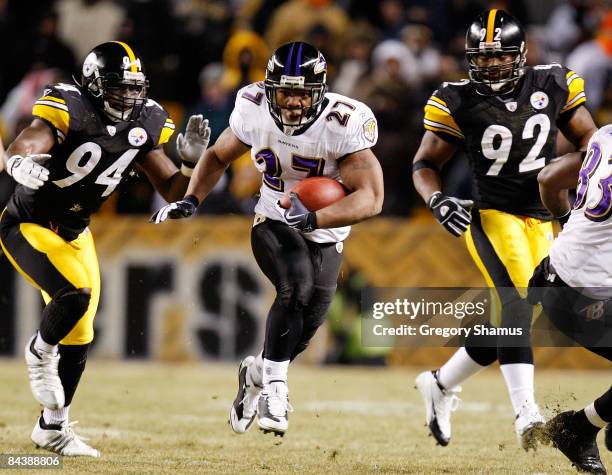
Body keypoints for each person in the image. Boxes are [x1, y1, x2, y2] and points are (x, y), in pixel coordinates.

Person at [151, 41, 384, 436]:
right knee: (295, 288)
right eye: (284, 91)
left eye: (301, 93)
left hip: (325, 226)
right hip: (273, 216)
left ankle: (257, 371)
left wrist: (315, 216)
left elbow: (371, 197)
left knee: (307, 325)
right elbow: (218, 156)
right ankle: (276, 392)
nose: (292, 102)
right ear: (270, 88)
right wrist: (191, 198)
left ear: (320, 91)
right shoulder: (253, 106)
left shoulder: (345, 121)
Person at [0, 41, 210, 456]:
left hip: (76, 231)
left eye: (135, 88)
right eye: (119, 87)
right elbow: (28, 140)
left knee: (81, 331)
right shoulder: (70, 104)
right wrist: (18, 162)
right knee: (73, 294)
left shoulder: (146, 120)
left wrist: (189, 164)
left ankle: (52, 428)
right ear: (95, 84)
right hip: (28, 223)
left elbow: (172, 191)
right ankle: (39, 353)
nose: (129, 97)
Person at [411, 9, 597, 449]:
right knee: (515, 303)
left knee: (519, 314)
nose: (491, 64)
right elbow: (423, 164)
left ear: (520, 54)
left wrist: (576, 186)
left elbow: (591, 141)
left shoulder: (552, 83)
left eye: (500, 56)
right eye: (483, 56)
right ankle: (526, 413)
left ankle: (440, 382)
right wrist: (437, 201)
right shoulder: (456, 98)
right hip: (492, 215)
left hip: (546, 216)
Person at [529, 124, 612, 474]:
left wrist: (568, 226)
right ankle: (577, 428)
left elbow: (548, 179)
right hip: (581, 299)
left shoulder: (605, 134)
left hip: (553, 274)